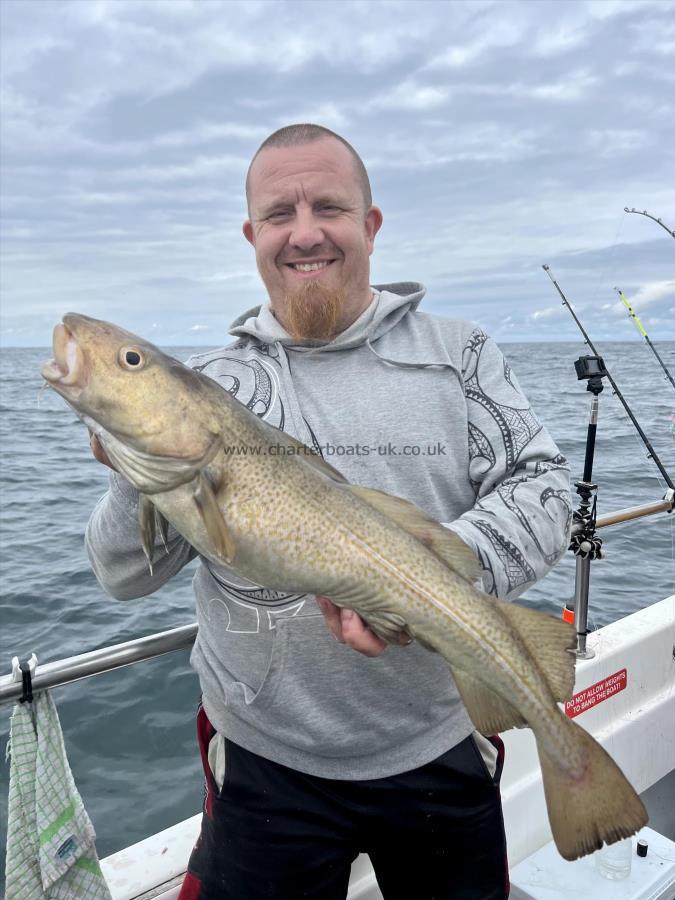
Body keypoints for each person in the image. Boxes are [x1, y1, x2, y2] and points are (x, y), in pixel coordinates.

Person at [86, 124, 571, 900]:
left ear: (370, 226)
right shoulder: (212, 383)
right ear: (251, 235)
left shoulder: (461, 352)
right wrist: (133, 462)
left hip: (436, 743)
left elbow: (545, 487)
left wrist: (433, 569)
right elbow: (121, 577)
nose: (304, 232)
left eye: (329, 208)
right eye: (279, 213)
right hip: (263, 761)